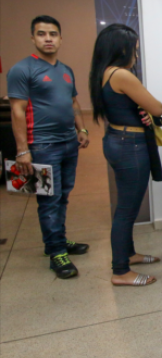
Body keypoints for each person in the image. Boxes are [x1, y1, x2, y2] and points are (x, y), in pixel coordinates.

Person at [7, 15, 90, 279]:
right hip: (42, 145)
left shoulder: (66, 70)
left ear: (60, 38)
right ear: (33, 38)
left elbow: (73, 102)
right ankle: (56, 252)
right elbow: (17, 111)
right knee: (49, 200)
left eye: (53, 34)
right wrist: (22, 150)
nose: (48, 39)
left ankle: (57, 241)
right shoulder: (22, 69)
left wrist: (82, 129)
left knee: (62, 195)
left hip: (68, 143)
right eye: (42, 34)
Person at [88, 24, 162, 286]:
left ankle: (129, 254)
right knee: (126, 210)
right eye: (135, 49)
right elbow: (157, 107)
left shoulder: (103, 72)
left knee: (127, 206)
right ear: (122, 49)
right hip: (129, 145)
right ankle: (120, 271)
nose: (136, 55)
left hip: (117, 139)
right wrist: (149, 110)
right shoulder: (122, 74)